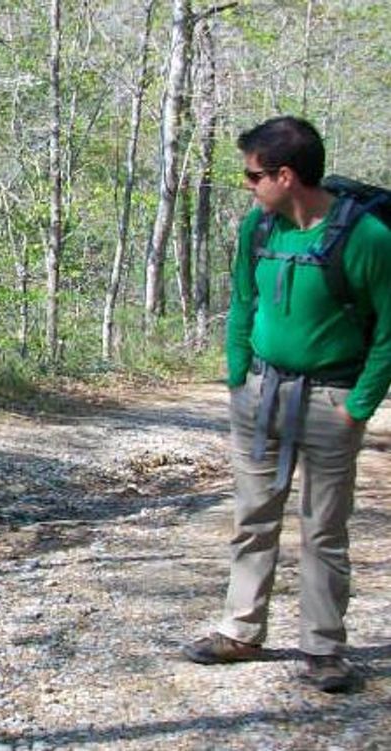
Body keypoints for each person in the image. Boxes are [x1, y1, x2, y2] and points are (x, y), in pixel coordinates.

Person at [183, 116, 391, 693]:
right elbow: (243, 301)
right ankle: (241, 631)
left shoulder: (367, 240)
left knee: (324, 528)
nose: (248, 187)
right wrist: (235, 375)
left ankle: (324, 649)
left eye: (253, 177)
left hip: (332, 400)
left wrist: (360, 405)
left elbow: (389, 332)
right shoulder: (259, 229)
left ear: (285, 175)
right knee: (253, 517)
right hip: (261, 392)